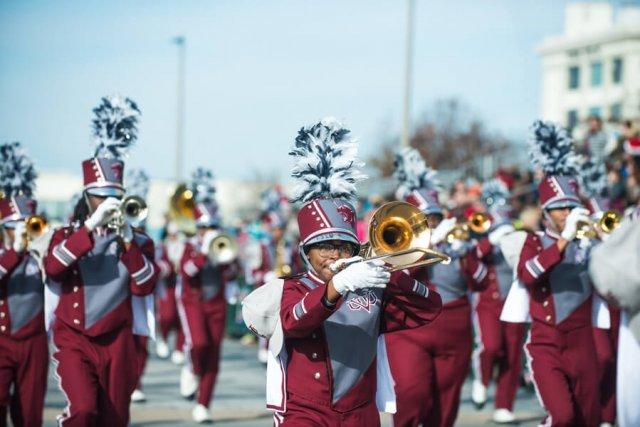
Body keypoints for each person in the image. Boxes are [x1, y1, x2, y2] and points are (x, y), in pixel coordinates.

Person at [244, 118, 443, 426]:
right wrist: (337, 286)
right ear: (305, 253)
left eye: (343, 246)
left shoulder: (371, 288)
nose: (334, 254)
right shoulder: (293, 288)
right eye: (324, 246)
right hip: (304, 411)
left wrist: (391, 273)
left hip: (359, 412)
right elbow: (295, 322)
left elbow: (428, 309)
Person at [44, 96, 158, 427]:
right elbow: (53, 267)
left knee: (114, 418)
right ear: (86, 197)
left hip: (118, 342)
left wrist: (126, 240)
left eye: (113, 196)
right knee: (82, 412)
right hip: (74, 338)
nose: (106, 202)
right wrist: (91, 228)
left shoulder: (137, 240)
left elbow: (145, 286)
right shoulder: (65, 234)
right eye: (99, 196)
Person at [384, 147, 489, 427]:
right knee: (410, 395)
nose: (431, 224)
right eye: (423, 220)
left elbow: (480, 281)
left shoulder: (457, 242)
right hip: (410, 328)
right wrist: (427, 245)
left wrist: (468, 252)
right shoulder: (396, 242)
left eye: (434, 219)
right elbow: (397, 276)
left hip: (454, 327)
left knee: (445, 405)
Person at [517, 120, 600, 427]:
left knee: (587, 419)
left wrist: (600, 242)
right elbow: (528, 275)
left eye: (570, 206)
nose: (566, 213)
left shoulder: (590, 241)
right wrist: (564, 242)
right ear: (545, 212)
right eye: (558, 207)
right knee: (562, 417)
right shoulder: (535, 240)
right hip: (546, 344)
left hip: (583, 342)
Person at [177, 168, 238, 423]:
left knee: (213, 354)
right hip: (193, 302)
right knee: (199, 343)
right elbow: (187, 271)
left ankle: (203, 405)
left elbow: (234, 273)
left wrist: (227, 259)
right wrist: (203, 252)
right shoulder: (191, 247)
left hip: (216, 304)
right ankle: (191, 367)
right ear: (197, 228)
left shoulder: (224, 245)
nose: (209, 231)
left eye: (213, 226)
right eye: (204, 227)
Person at [0, 142, 48, 427]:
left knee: (30, 413)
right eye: (14, 226)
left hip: (34, 341)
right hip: (1, 339)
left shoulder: (39, 249)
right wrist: (14, 251)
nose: (22, 231)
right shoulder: (10, 251)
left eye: (26, 224)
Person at [470, 178, 526, 424]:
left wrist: (512, 234)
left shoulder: (514, 225)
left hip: (513, 297)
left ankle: (504, 404)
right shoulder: (478, 228)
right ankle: (482, 380)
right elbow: (471, 259)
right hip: (488, 299)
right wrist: (489, 240)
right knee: (491, 346)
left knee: (512, 354)